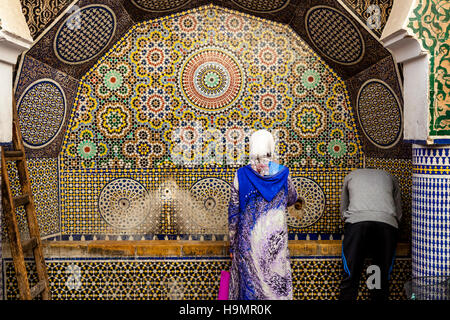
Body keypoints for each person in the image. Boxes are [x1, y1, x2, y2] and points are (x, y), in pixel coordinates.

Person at [227, 129, 298, 300]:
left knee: (251, 285)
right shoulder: (283, 173)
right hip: (276, 241)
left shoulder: (241, 175)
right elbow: (293, 198)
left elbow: (233, 212)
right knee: (275, 283)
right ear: (270, 146)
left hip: (248, 243)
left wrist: (232, 243)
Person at [339, 168, 402, 301]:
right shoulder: (390, 176)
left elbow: (343, 210)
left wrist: (353, 219)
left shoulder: (350, 176)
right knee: (378, 272)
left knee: (351, 271)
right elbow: (398, 213)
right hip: (386, 226)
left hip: (357, 225)